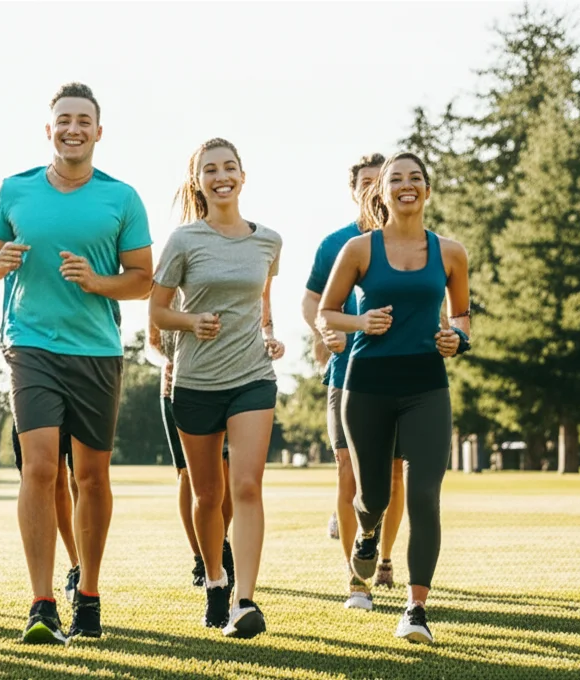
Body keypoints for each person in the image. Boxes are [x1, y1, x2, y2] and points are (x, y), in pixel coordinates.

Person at [0, 82, 153, 644]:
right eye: (63, 120)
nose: (72, 128)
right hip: (30, 344)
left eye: (83, 120)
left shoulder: (121, 198)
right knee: (38, 469)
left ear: (98, 131)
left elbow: (143, 279)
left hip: (97, 351)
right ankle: (41, 602)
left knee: (91, 476)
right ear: (48, 129)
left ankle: (89, 594)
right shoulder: (15, 189)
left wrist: (97, 281)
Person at [318, 151, 471, 644]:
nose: (407, 185)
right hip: (366, 387)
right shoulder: (360, 250)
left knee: (425, 495)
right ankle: (366, 535)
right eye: (396, 179)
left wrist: (457, 339)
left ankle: (416, 608)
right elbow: (327, 311)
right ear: (380, 193)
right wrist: (360, 322)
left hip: (427, 385)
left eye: (416, 178)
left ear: (427, 189)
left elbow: (462, 315)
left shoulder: (451, 253)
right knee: (374, 497)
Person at [150, 138, 284, 639]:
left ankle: (246, 600)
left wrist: (269, 337)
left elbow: (262, 304)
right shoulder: (183, 241)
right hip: (195, 382)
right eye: (210, 169)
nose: (221, 175)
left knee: (246, 486)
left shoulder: (269, 241)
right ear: (198, 181)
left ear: (243, 177)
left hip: (252, 379)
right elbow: (158, 314)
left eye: (229, 167)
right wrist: (191, 320)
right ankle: (215, 580)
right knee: (208, 495)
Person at [301, 152, 407, 610]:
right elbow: (312, 303)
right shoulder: (336, 244)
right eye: (365, 182)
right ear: (355, 190)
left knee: (394, 475)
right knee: (348, 473)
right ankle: (354, 579)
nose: (372, 189)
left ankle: (383, 559)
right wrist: (329, 331)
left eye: (378, 181)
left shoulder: (411, 241)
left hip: (401, 377)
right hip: (346, 375)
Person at [147, 321, 235, 589]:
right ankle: (200, 557)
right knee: (186, 473)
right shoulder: (161, 284)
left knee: (224, 469)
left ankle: (219, 542)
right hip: (175, 391)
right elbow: (151, 345)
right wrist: (165, 362)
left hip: (223, 385)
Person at [11, 426, 81, 604]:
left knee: (80, 477)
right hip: (35, 403)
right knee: (49, 478)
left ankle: (82, 569)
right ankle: (75, 567)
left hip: (81, 401)